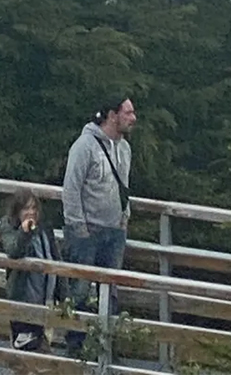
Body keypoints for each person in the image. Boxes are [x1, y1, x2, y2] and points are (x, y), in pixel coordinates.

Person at [61, 97, 137, 355]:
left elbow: (123, 187)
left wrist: (124, 217)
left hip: (114, 231)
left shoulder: (124, 148)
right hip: (87, 231)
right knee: (80, 291)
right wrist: (78, 227)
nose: (132, 118)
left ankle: (105, 348)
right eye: (127, 112)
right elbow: (71, 189)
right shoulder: (84, 146)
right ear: (112, 115)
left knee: (111, 292)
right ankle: (75, 349)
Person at [0, 188, 58, 352]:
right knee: (27, 351)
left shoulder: (45, 227)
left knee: (43, 348)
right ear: (17, 211)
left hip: (46, 298)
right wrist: (24, 232)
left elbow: (55, 258)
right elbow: (13, 251)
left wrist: (63, 295)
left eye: (34, 208)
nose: (31, 212)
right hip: (22, 298)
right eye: (26, 208)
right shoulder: (8, 225)